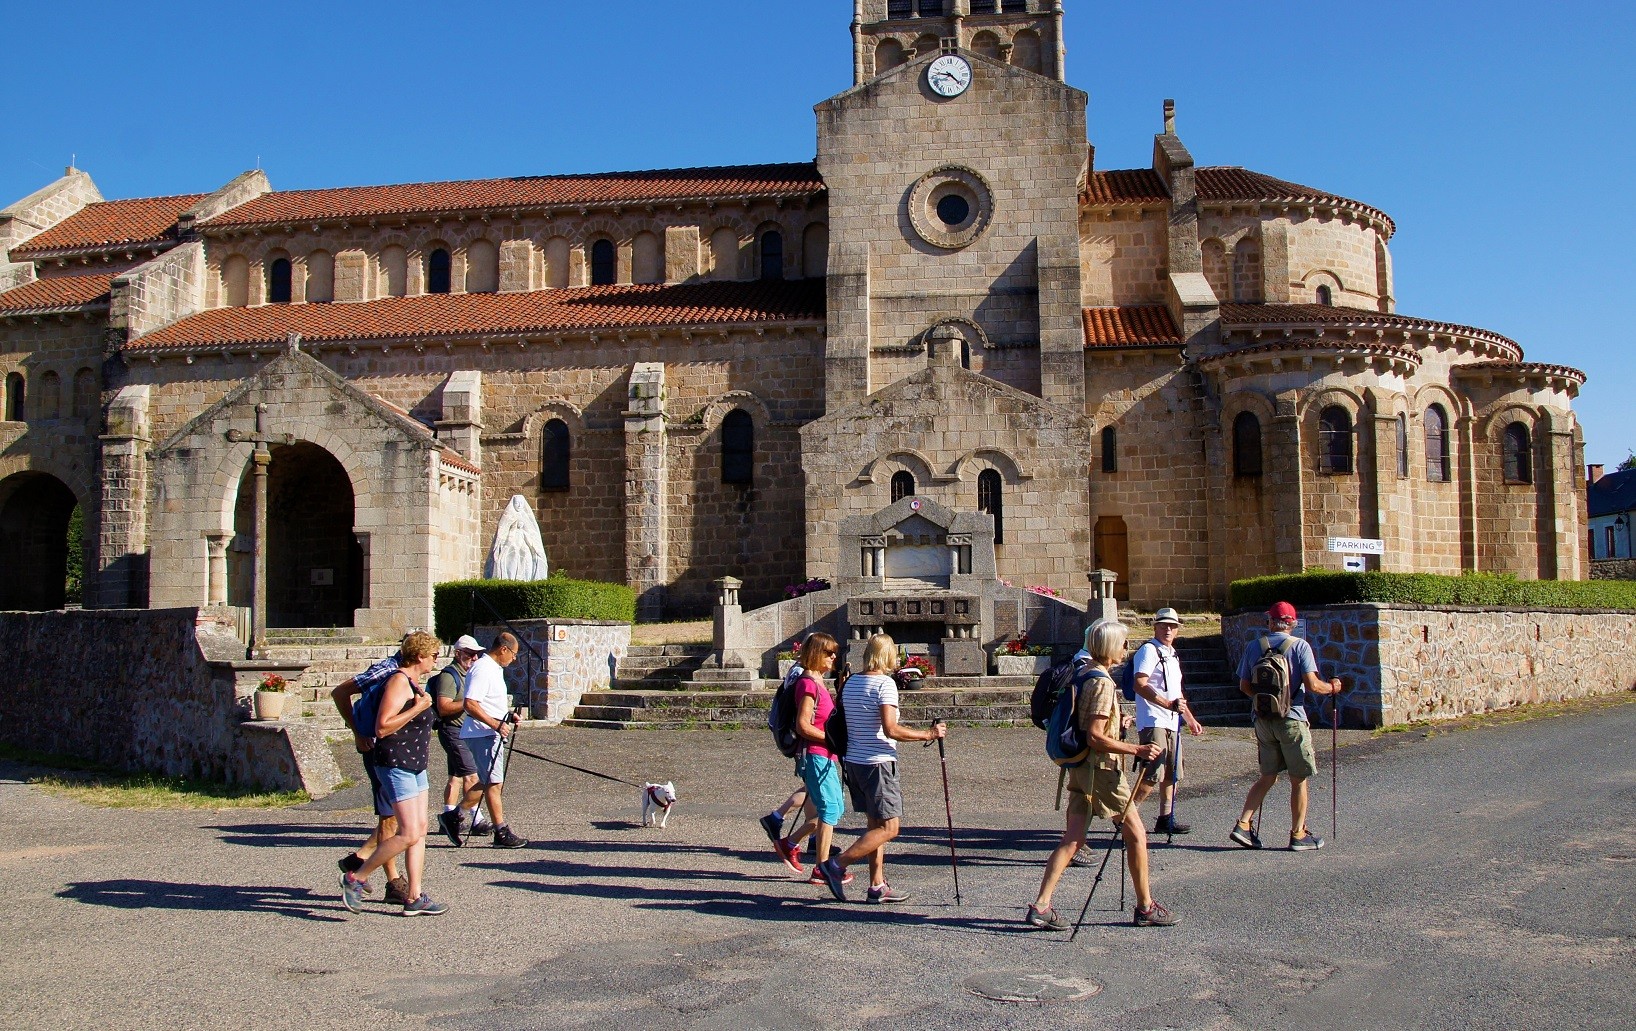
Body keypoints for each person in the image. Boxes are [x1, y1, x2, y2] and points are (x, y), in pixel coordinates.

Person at [1025, 620, 1175, 930]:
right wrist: (1137, 750)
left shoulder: (1083, 672)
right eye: (1122, 643)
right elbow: (1094, 736)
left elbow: (1088, 726)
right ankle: (1145, 906)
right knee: (1136, 834)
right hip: (1103, 770)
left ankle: (1041, 905)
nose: (1126, 649)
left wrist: (1118, 724)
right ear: (1110, 647)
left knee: (1073, 839)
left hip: (1080, 768)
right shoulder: (1103, 682)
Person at [815, 633, 946, 904]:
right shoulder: (885, 684)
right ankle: (835, 865)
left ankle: (877, 885)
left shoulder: (850, 682)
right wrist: (928, 734)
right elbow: (891, 729)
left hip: (855, 761)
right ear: (887, 656)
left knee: (874, 825)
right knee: (890, 827)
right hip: (878, 762)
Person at [340, 630, 447, 916]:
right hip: (395, 763)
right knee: (408, 831)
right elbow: (383, 726)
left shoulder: (414, 683)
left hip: (415, 764)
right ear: (420, 655)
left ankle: (414, 896)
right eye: (434, 655)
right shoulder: (399, 682)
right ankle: (356, 876)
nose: (436, 660)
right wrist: (419, 708)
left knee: (420, 831)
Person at [1229, 601, 1343, 852]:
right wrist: (1333, 687)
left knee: (1267, 776)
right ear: (1292, 623)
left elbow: (1245, 686)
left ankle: (1244, 825)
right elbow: (1313, 685)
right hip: (1291, 719)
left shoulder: (1253, 647)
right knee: (1298, 778)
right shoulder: (1300, 646)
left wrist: (1265, 702)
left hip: (1262, 720)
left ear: (1269, 622)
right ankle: (1298, 834)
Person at [772, 633, 853, 887]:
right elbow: (803, 725)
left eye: (834, 653)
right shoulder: (807, 683)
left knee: (835, 809)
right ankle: (821, 868)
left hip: (825, 755)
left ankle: (790, 842)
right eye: (828, 653)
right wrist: (831, 740)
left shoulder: (818, 680)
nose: (833, 657)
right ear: (816, 654)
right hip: (815, 755)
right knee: (829, 809)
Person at [332, 640, 409, 904]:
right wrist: (357, 732)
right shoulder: (387, 670)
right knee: (392, 819)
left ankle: (360, 858)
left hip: (397, 753)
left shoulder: (408, 673)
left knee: (398, 817)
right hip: (379, 751)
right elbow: (340, 693)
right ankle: (392, 881)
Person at [1130, 608, 1203, 835]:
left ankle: (1165, 818)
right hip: (1153, 719)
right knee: (1153, 771)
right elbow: (1139, 684)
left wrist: (1189, 718)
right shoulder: (1149, 651)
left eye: (1172, 626)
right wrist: (1166, 705)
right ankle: (1126, 817)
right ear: (1155, 626)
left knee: (1172, 771)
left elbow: (1176, 692)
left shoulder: (1172, 654)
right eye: (1164, 625)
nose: (1168, 629)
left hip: (1171, 721)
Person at [456, 632, 527, 849]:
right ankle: (501, 831)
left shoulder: (493, 669)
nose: (514, 659)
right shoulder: (483, 668)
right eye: (513, 654)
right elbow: (470, 704)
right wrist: (495, 724)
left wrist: (506, 715)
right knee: (494, 783)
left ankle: (454, 817)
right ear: (503, 649)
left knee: (488, 781)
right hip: (482, 733)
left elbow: (488, 703)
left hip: (488, 732)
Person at [758, 640, 812, 872]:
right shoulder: (802, 675)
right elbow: (801, 711)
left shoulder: (796, 670)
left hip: (797, 737)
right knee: (816, 790)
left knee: (812, 788)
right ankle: (777, 817)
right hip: (803, 738)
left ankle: (816, 839)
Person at [432, 635, 488, 847]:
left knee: (456, 776)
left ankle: (449, 814)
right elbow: (444, 707)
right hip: (453, 730)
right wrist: (468, 704)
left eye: (477, 654)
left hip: (464, 730)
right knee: (474, 776)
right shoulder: (449, 675)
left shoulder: (469, 673)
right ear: (458, 653)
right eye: (470, 654)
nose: (474, 658)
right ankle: (474, 818)